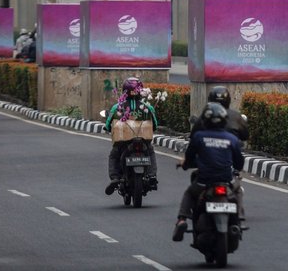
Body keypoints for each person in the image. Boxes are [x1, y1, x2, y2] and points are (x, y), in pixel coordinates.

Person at [172, 102, 244, 242]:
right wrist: (236, 170)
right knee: (237, 191)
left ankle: (181, 220)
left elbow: (190, 157)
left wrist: (185, 165)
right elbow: (239, 162)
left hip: (204, 181)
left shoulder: (199, 137)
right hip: (226, 180)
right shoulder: (232, 139)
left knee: (190, 193)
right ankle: (238, 220)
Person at [190, 86, 248, 219]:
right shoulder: (232, 135)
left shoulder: (202, 129)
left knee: (191, 191)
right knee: (237, 190)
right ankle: (239, 216)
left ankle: (183, 217)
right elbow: (240, 159)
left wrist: (188, 163)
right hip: (227, 174)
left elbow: (192, 145)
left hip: (206, 175)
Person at [103, 77, 159, 195]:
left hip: (124, 142)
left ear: (124, 91)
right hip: (143, 141)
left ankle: (115, 178)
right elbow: (155, 124)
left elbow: (109, 124)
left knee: (114, 155)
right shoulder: (147, 107)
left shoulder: (118, 107)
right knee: (150, 152)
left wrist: (107, 128)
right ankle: (152, 175)